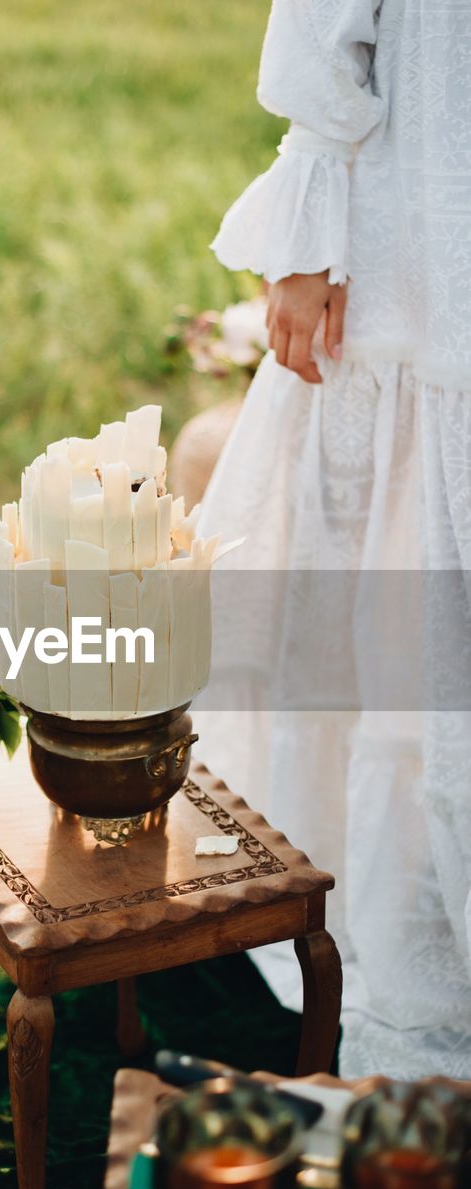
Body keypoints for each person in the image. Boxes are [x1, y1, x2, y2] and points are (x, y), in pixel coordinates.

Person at [194, 0, 471, 1078]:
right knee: (407, 677)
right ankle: (418, 1010)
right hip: (421, 270)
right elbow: (321, 37)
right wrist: (308, 238)